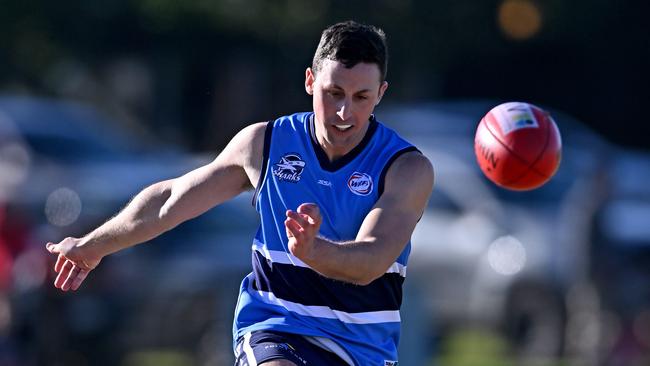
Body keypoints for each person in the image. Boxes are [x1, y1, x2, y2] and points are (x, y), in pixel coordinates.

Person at [46, 20, 434, 366]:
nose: (344, 112)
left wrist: (314, 252)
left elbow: (373, 259)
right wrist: (94, 245)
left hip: (362, 350)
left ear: (380, 93)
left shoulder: (405, 169)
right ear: (310, 82)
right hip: (277, 330)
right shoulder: (264, 144)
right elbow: (169, 201)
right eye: (333, 93)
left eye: (360, 97)